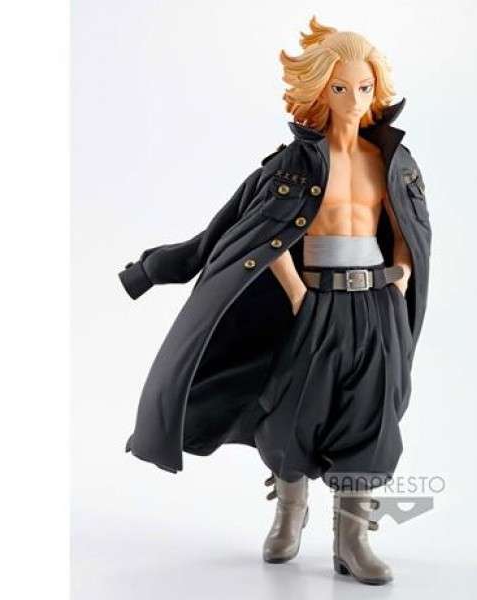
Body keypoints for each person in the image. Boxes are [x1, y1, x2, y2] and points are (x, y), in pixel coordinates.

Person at [119, 15, 431, 587]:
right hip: (314, 303)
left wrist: (402, 275)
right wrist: (295, 292)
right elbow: (257, 232)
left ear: (378, 88)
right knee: (293, 409)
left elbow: (410, 225)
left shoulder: (390, 160)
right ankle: (290, 510)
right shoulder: (293, 164)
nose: (354, 101)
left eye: (365, 88)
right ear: (320, 91)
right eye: (341, 88)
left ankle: (353, 537)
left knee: (371, 412)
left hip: (375, 303)